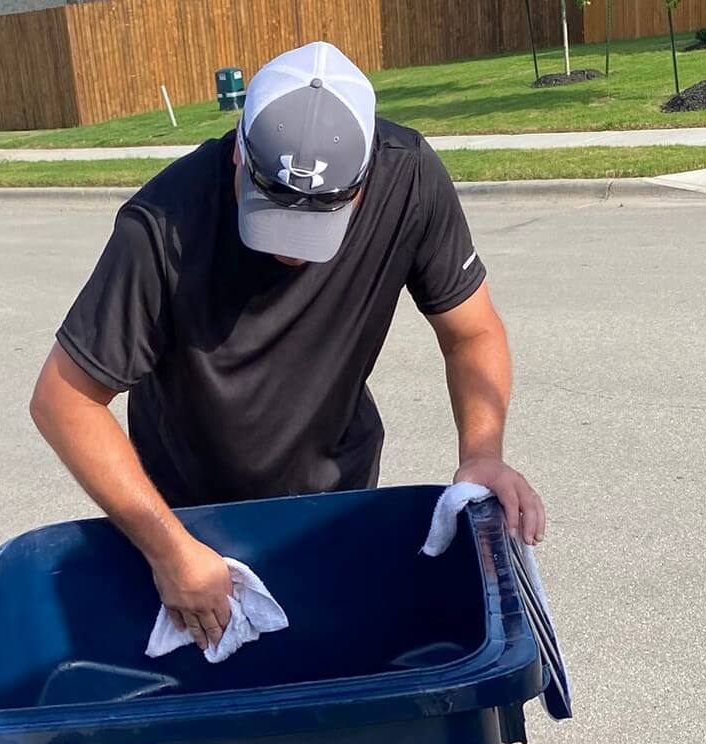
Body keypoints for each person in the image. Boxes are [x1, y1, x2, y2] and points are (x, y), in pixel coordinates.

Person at [30, 39, 545, 652]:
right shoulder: (163, 226)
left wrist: (482, 452)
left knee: (334, 682)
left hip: (336, 498)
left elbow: (472, 331)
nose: (291, 250)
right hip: (194, 519)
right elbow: (65, 400)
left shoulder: (407, 177)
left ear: (360, 186)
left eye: (316, 221)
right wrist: (169, 549)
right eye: (272, 208)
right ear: (239, 159)